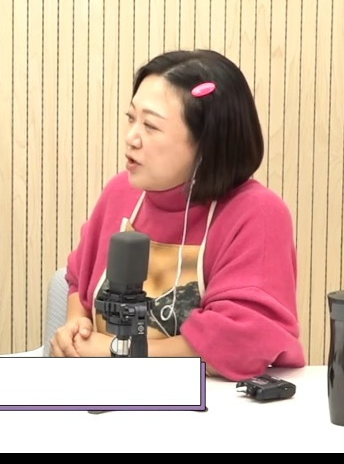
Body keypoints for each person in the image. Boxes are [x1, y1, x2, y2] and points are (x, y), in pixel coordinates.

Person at [49, 49, 305, 381]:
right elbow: (78, 278)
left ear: (207, 142)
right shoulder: (120, 192)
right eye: (131, 118)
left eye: (150, 126)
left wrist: (119, 352)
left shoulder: (258, 213)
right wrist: (77, 325)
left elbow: (242, 342)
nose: (131, 138)